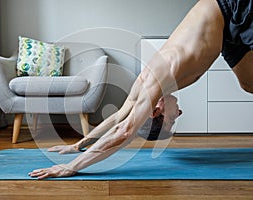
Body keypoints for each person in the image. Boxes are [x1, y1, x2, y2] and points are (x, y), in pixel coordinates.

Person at [29, 0, 253, 179]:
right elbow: (117, 118)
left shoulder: (153, 83)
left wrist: (71, 166)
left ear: (156, 112)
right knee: (248, 83)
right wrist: (78, 145)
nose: (179, 114)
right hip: (226, 32)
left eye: (172, 120)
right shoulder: (143, 87)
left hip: (231, 7)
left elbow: (123, 130)